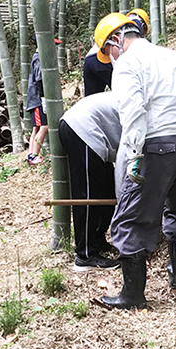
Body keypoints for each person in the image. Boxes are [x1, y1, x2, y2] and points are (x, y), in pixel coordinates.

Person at [95, 13, 176, 306]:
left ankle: (132, 294)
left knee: (132, 217)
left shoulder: (129, 64)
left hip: (158, 145)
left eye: (108, 52)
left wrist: (132, 156)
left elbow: (133, 113)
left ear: (116, 40)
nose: (111, 58)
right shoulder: (174, 57)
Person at [59, 92, 122, 271]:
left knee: (107, 190)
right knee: (88, 193)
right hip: (82, 128)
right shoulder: (141, 105)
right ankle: (85, 254)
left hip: (95, 135)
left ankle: (96, 239)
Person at [25, 45, 52, 166]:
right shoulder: (39, 59)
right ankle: (33, 156)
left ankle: (31, 155)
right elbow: (40, 79)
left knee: (36, 128)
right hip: (38, 98)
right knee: (44, 127)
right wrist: (45, 97)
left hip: (35, 98)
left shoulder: (36, 58)